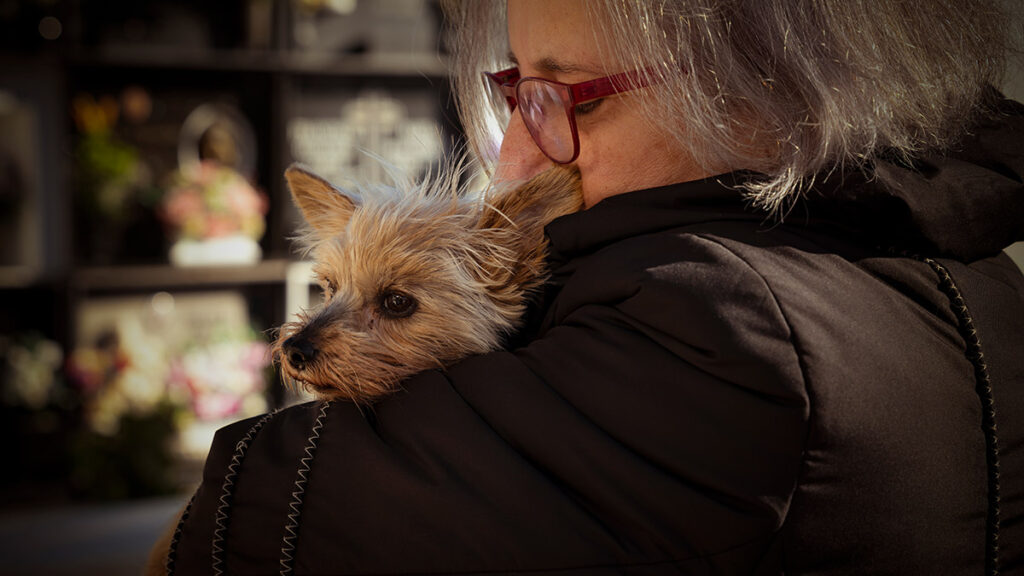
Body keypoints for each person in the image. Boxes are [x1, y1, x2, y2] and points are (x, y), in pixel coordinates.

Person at [156, 0, 1024, 574]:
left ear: (759, 91)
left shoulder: (714, 314)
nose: (514, 157)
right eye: (514, 90)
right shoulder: (976, 276)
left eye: (569, 95)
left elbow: (229, 538)